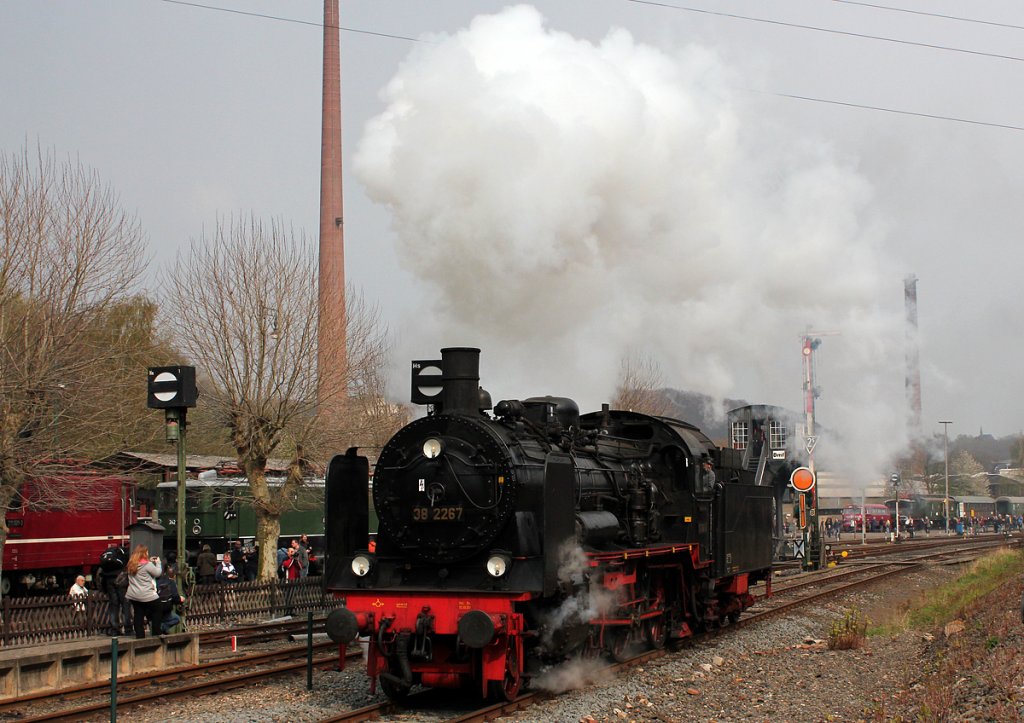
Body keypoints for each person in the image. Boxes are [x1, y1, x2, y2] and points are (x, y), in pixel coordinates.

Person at [125, 545, 163, 638]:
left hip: (133, 594)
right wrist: (158, 563)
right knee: (158, 608)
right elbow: (157, 573)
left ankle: (140, 635)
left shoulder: (131, 564)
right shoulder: (147, 565)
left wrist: (149, 561)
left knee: (138, 614)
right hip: (146, 594)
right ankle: (156, 632)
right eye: (146, 552)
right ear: (143, 553)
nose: (148, 553)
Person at [97, 544, 132, 635]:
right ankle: (128, 628)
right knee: (125, 604)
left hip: (108, 580)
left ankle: (114, 629)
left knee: (113, 605)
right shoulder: (123, 552)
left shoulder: (108, 554)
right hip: (120, 580)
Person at [156, 567, 186, 634]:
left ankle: (159, 627)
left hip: (156, 609)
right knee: (177, 619)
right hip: (166, 610)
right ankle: (162, 627)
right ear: (174, 576)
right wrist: (180, 599)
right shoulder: (171, 582)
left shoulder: (157, 581)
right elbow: (175, 597)